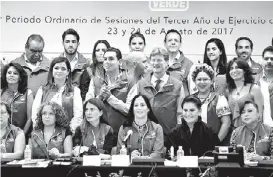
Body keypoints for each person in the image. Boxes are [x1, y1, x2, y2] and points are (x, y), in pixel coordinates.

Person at [121, 47, 185, 143]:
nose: (155, 63)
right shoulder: (140, 84)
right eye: (153, 60)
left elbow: (180, 115)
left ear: (167, 62)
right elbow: (131, 110)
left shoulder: (177, 85)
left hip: (169, 137)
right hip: (145, 137)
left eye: (159, 60)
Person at [85, 47, 129, 137]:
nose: (107, 62)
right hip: (99, 133)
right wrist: (99, 98)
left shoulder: (129, 81)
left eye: (111, 59)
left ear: (120, 62)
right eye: (105, 59)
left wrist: (110, 98)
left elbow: (130, 110)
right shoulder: (95, 79)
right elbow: (87, 106)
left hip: (123, 133)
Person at [32, 57, 83, 133]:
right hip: (45, 133)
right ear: (52, 71)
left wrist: (68, 132)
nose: (59, 71)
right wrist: (41, 131)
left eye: (63, 69)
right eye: (56, 68)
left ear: (68, 72)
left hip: (67, 133)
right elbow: (35, 114)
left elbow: (78, 115)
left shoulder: (75, 91)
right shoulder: (42, 90)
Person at [191, 64, 231, 144]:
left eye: (205, 79)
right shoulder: (190, 99)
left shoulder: (219, 99)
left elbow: (226, 123)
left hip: (213, 146)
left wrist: (215, 143)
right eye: (199, 79)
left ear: (212, 81)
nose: (202, 82)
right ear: (194, 81)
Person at [226, 58, 264, 128]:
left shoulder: (255, 89)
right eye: (231, 68)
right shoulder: (229, 91)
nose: (234, 70)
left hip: (251, 130)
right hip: (234, 132)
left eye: (237, 67)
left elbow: (260, 115)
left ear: (244, 71)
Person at [1, 63, 34, 136]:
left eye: (15, 73)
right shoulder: (1, 92)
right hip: (3, 136)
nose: (11, 75)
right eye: (9, 73)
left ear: (20, 77)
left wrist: (21, 135)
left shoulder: (27, 93)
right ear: (5, 75)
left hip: (22, 134)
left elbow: (30, 119)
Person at [164, 29, 194, 95]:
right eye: (170, 40)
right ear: (165, 44)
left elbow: (193, 92)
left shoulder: (189, 64)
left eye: (176, 40)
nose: (173, 42)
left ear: (180, 44)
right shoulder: (159, 63)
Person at [258, 46, 273, 127]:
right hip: (261, 129)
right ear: (262, 60)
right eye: (266, 59)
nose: (269, 61)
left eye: (272, 59)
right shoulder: (255, 81)